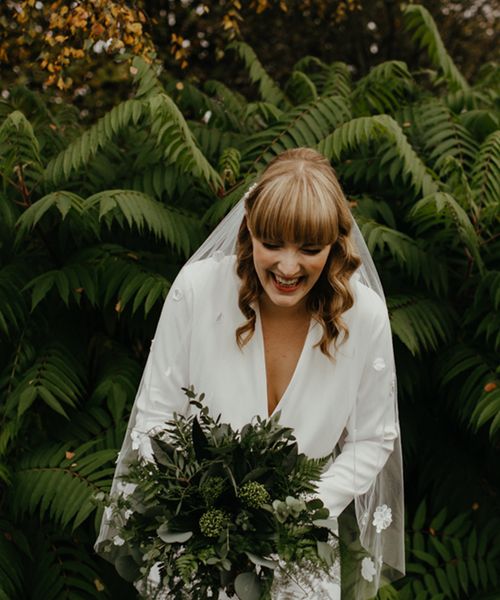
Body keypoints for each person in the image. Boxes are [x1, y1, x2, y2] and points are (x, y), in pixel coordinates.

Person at [95, 147, 405, 599]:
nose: (287, 266)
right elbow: (155, 414)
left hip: (299, 555)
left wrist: (302, 508)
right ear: (249, 230)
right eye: (271, 243)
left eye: (310, 249)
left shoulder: (365, 316)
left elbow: (373, 437)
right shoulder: (198, 290)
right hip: (196, 554)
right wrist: (199, 504)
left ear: (336, 244)